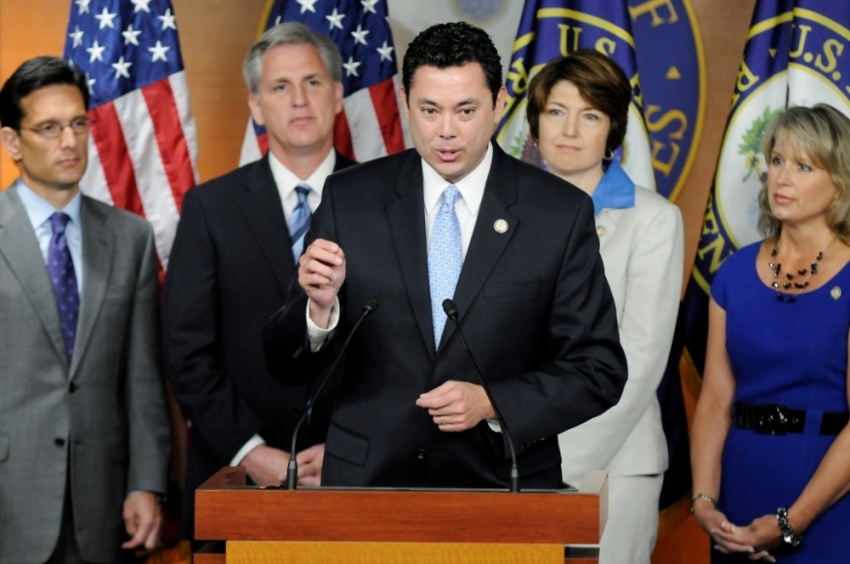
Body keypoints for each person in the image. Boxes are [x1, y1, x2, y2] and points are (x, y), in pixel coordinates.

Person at [263, 22, 626, 490]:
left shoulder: (557, 213)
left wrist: (493, 402)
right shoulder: (349, 199)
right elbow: (284, 363)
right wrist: (318, 311)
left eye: (466, 110)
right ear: (405, 102)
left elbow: (598, 368)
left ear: (498, 104)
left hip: (501, 486)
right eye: (429, 110)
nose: (447, 132)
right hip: (369, 487)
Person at [162, 22, 356, 538]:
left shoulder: (387, 202)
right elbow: (186, 351)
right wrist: (252, 453)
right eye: (279, 86)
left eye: (313, 82)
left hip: (355, 480)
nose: (298, 99)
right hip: (235, 480)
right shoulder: (210, 208)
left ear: (338, 94)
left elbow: (405, 349)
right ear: (255, 105)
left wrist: (349, 447)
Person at [0, 56, 170, 563]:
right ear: (12, 142)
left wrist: (147, 483)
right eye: (49, 128)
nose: (70, 141)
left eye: (78, 123)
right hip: (9, 503)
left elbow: (143, 378)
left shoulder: (130, 237)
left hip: (104, 505)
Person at [525, 50, 683, 563]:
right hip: (510, 467)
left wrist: (556, 466)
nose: (569, 129)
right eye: (556, 111)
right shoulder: (505, 217)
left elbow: (639, 362)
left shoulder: (654, 221)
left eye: (589, 115)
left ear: (613, 129)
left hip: (611, 464)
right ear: (535, 123)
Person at [691, 104, 850, 563]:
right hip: (739, 496)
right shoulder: (735, 274)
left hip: (827, 501)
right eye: (778, 161)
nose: (782, 178)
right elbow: (716, 402)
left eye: (803, 166)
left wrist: (792, 521)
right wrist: (704, 502)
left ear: (838, 181)